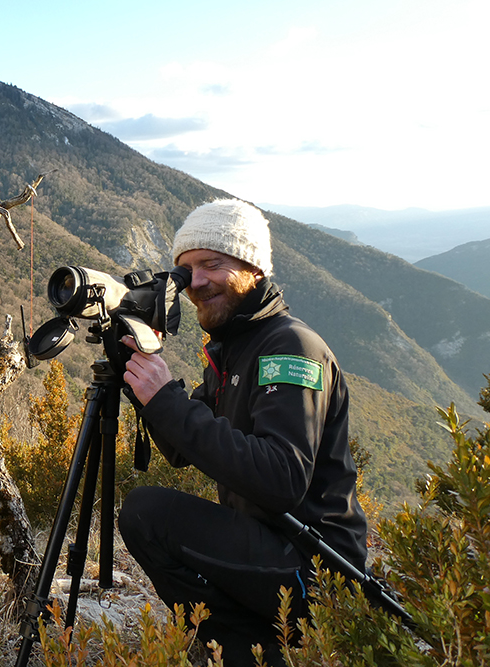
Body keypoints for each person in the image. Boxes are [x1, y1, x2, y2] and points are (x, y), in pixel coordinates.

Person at [117, 199, 367, 666]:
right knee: (145, 515)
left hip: (318, 572)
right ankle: (247, 646)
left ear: (252, 267)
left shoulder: (290, 348)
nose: (197, 281)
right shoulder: (232, 348)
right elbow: (177, 447)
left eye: (213, 263)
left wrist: (165, 399)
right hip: (273, 551)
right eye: (188, 269)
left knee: (147, 512)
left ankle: (253, 651)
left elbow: (281, 479)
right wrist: (139, 379)